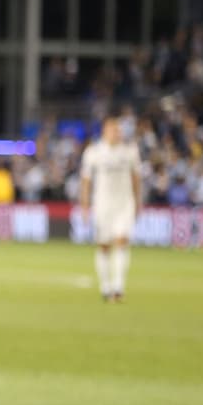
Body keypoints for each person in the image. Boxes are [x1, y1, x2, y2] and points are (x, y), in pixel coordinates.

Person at [78, 116, 142, 302]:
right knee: (104, 245)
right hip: (103, 204)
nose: (116, 133)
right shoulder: (94, 152)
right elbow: (86, 181)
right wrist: (84, 206)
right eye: (113, 130)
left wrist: (138, 202)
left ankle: (118, 287)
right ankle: (105, 287)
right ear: (105, 131)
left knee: (122, 241)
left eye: (118, 130)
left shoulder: (130, 152)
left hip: (124, 203)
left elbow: (136, 178)